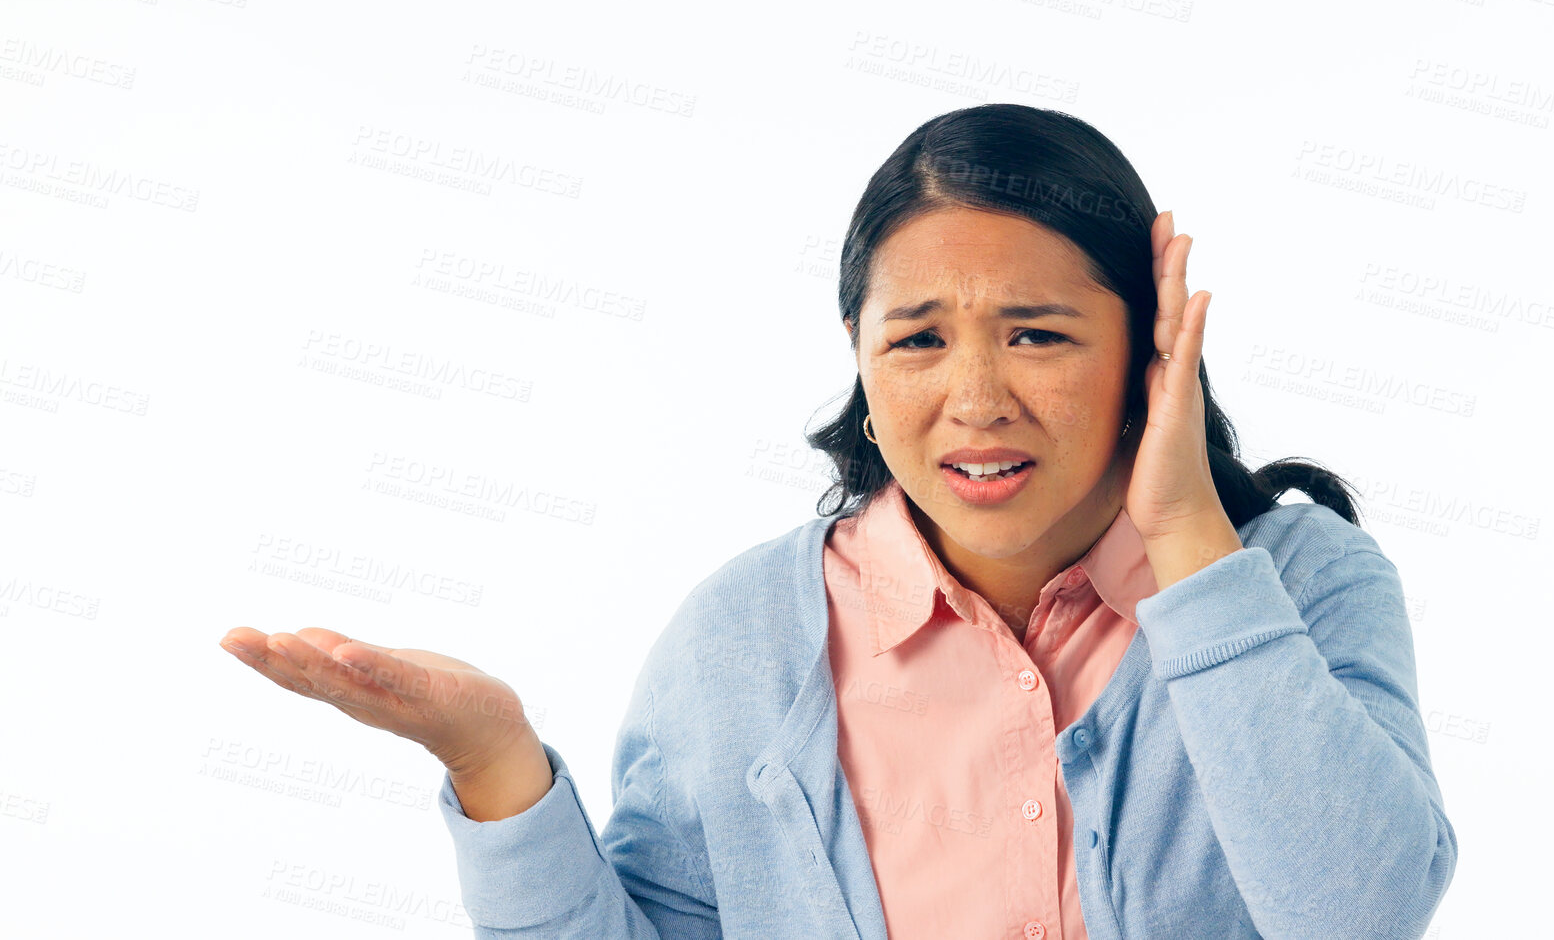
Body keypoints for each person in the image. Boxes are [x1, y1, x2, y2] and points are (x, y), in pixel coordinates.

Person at [219, 103, 1459, 938]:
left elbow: (1357, 908)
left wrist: (1191, 539)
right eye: (917, 339)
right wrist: (496, 766)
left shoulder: (1298, 580)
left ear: (1151, 345)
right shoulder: (745, 638)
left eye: (1038, 333)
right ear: (861, 361)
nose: (975, 398)